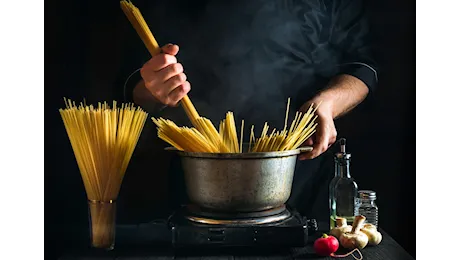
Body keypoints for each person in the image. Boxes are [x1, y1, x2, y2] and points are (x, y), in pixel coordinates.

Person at [118, 0, 378, 224]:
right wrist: (154, 87)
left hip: (301, 173)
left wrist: (328, 102)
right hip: (199, 177)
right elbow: (134, 83)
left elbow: (361, 66)